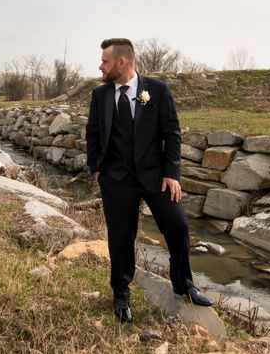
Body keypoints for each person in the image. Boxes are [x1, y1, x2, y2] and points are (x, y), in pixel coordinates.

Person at [86, 38, 212, 323]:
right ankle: (121, 293)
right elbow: (92, 133)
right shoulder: (100, 95)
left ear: (122, 62)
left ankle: (184, 284)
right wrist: (96, 167)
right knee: (120, 238)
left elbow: (172, 134)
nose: (100, 66)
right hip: (116, 180)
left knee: (178, 225)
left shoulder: (156, 90)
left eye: (105, 61)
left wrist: (172, 174)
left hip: (156, 176)